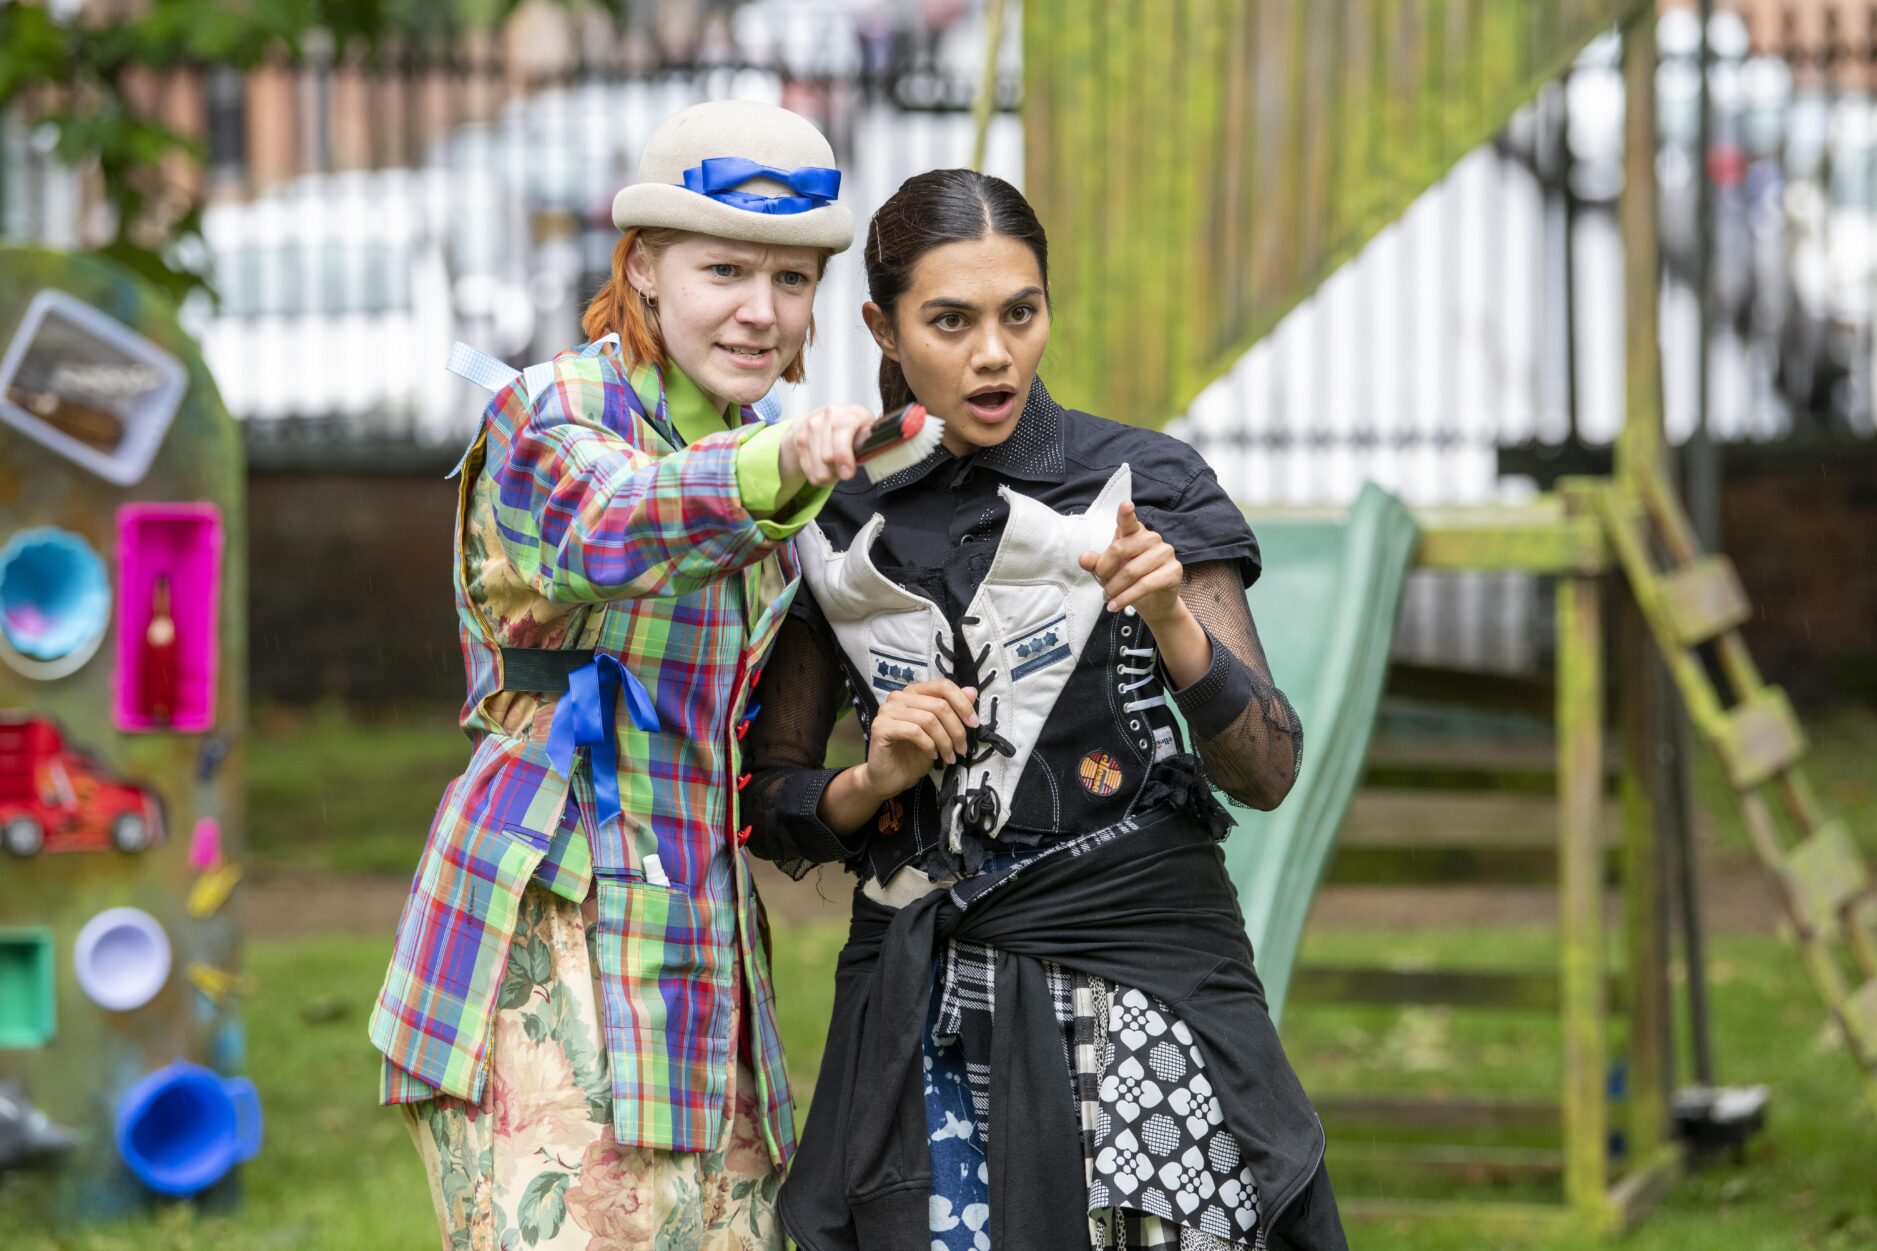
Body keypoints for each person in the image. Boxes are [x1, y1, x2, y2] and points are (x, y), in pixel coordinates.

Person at [743, 168, 1347, 1250]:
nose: (993, 353)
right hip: (919, 1000)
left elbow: (1266, 768)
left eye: (1020, 313)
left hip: (1142, 979)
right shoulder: (832, 515)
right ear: (881, 326)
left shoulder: (1145, 482)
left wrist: (1172, 624)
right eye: (950, 321)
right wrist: (871, 778)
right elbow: (769, 797)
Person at [369, 99, 880, 1250]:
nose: (761, 311)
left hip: (700, 930)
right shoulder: (549, 410)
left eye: (791, 281)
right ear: (643, 267)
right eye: (725, 270)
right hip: (552, 907)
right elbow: (609, 527)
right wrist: (772, 467)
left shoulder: (780, 454)